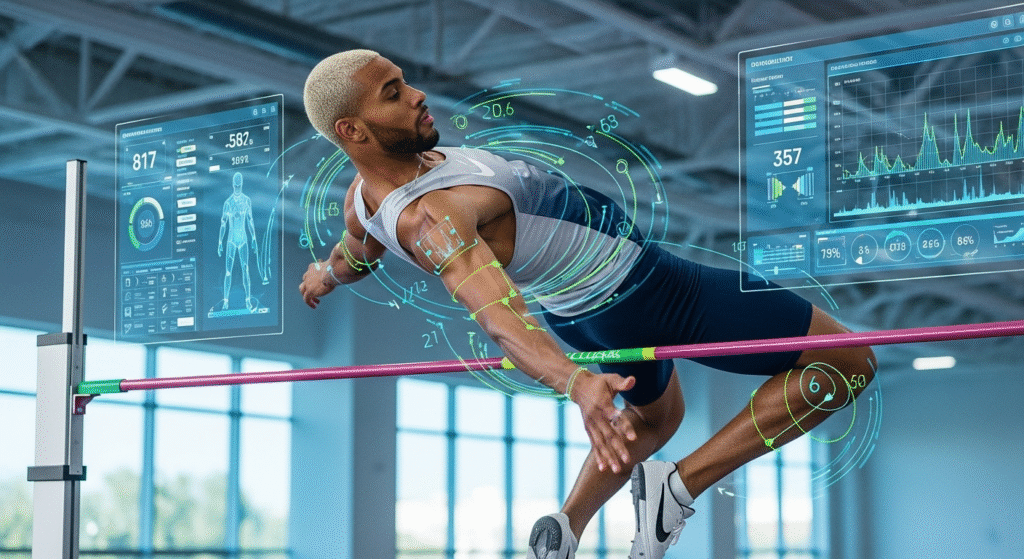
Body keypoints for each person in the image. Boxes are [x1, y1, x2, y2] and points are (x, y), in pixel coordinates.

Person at [298, 50, 876, 559]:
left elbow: (358, 254)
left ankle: (567, 526)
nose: (417, 95)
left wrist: (325, 275)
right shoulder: (434, 217)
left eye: (405, 82)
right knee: (850, 363)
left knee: (655, 419)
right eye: (393, 94)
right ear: (354, 130)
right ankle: (680, 485)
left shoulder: (362, 200)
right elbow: (501, 321)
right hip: (651, 290)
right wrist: (576, 383)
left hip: (584, 316)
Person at [218, 171, 258, 311]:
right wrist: (220, 242)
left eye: (239, 185)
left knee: (245, 270)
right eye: (235, 185)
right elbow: (223, 223)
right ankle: (226, 302)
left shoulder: (247, 201)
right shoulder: (228, 203)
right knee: (228, 272)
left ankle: (247, 301)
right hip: (231, 240)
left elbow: (250, 221)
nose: (237, 187)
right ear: (233, 185)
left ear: (241, 184)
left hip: (243, 240)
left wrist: (253, 238)